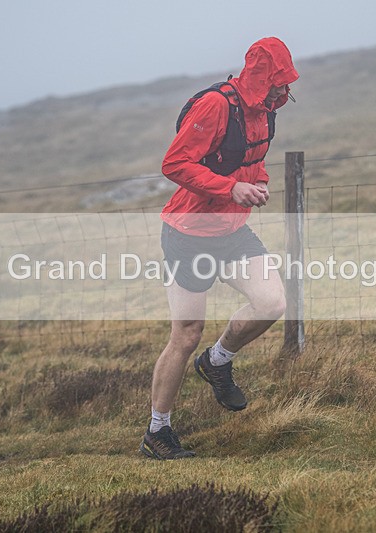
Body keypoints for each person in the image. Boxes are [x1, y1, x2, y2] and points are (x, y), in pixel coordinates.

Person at [140, 37, 299, 460]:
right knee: (185, 335)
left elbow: (254, 158)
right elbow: (174, 164)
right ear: (260, 78)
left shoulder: (265, 113)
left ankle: (218, 360)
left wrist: (259, 182)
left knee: (272, 302)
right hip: (188, 233)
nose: (284, 95)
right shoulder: (215, 106)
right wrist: (231, 187)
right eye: (278, 86)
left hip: (232, 233)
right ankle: (158, 432)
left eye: (287, 86)